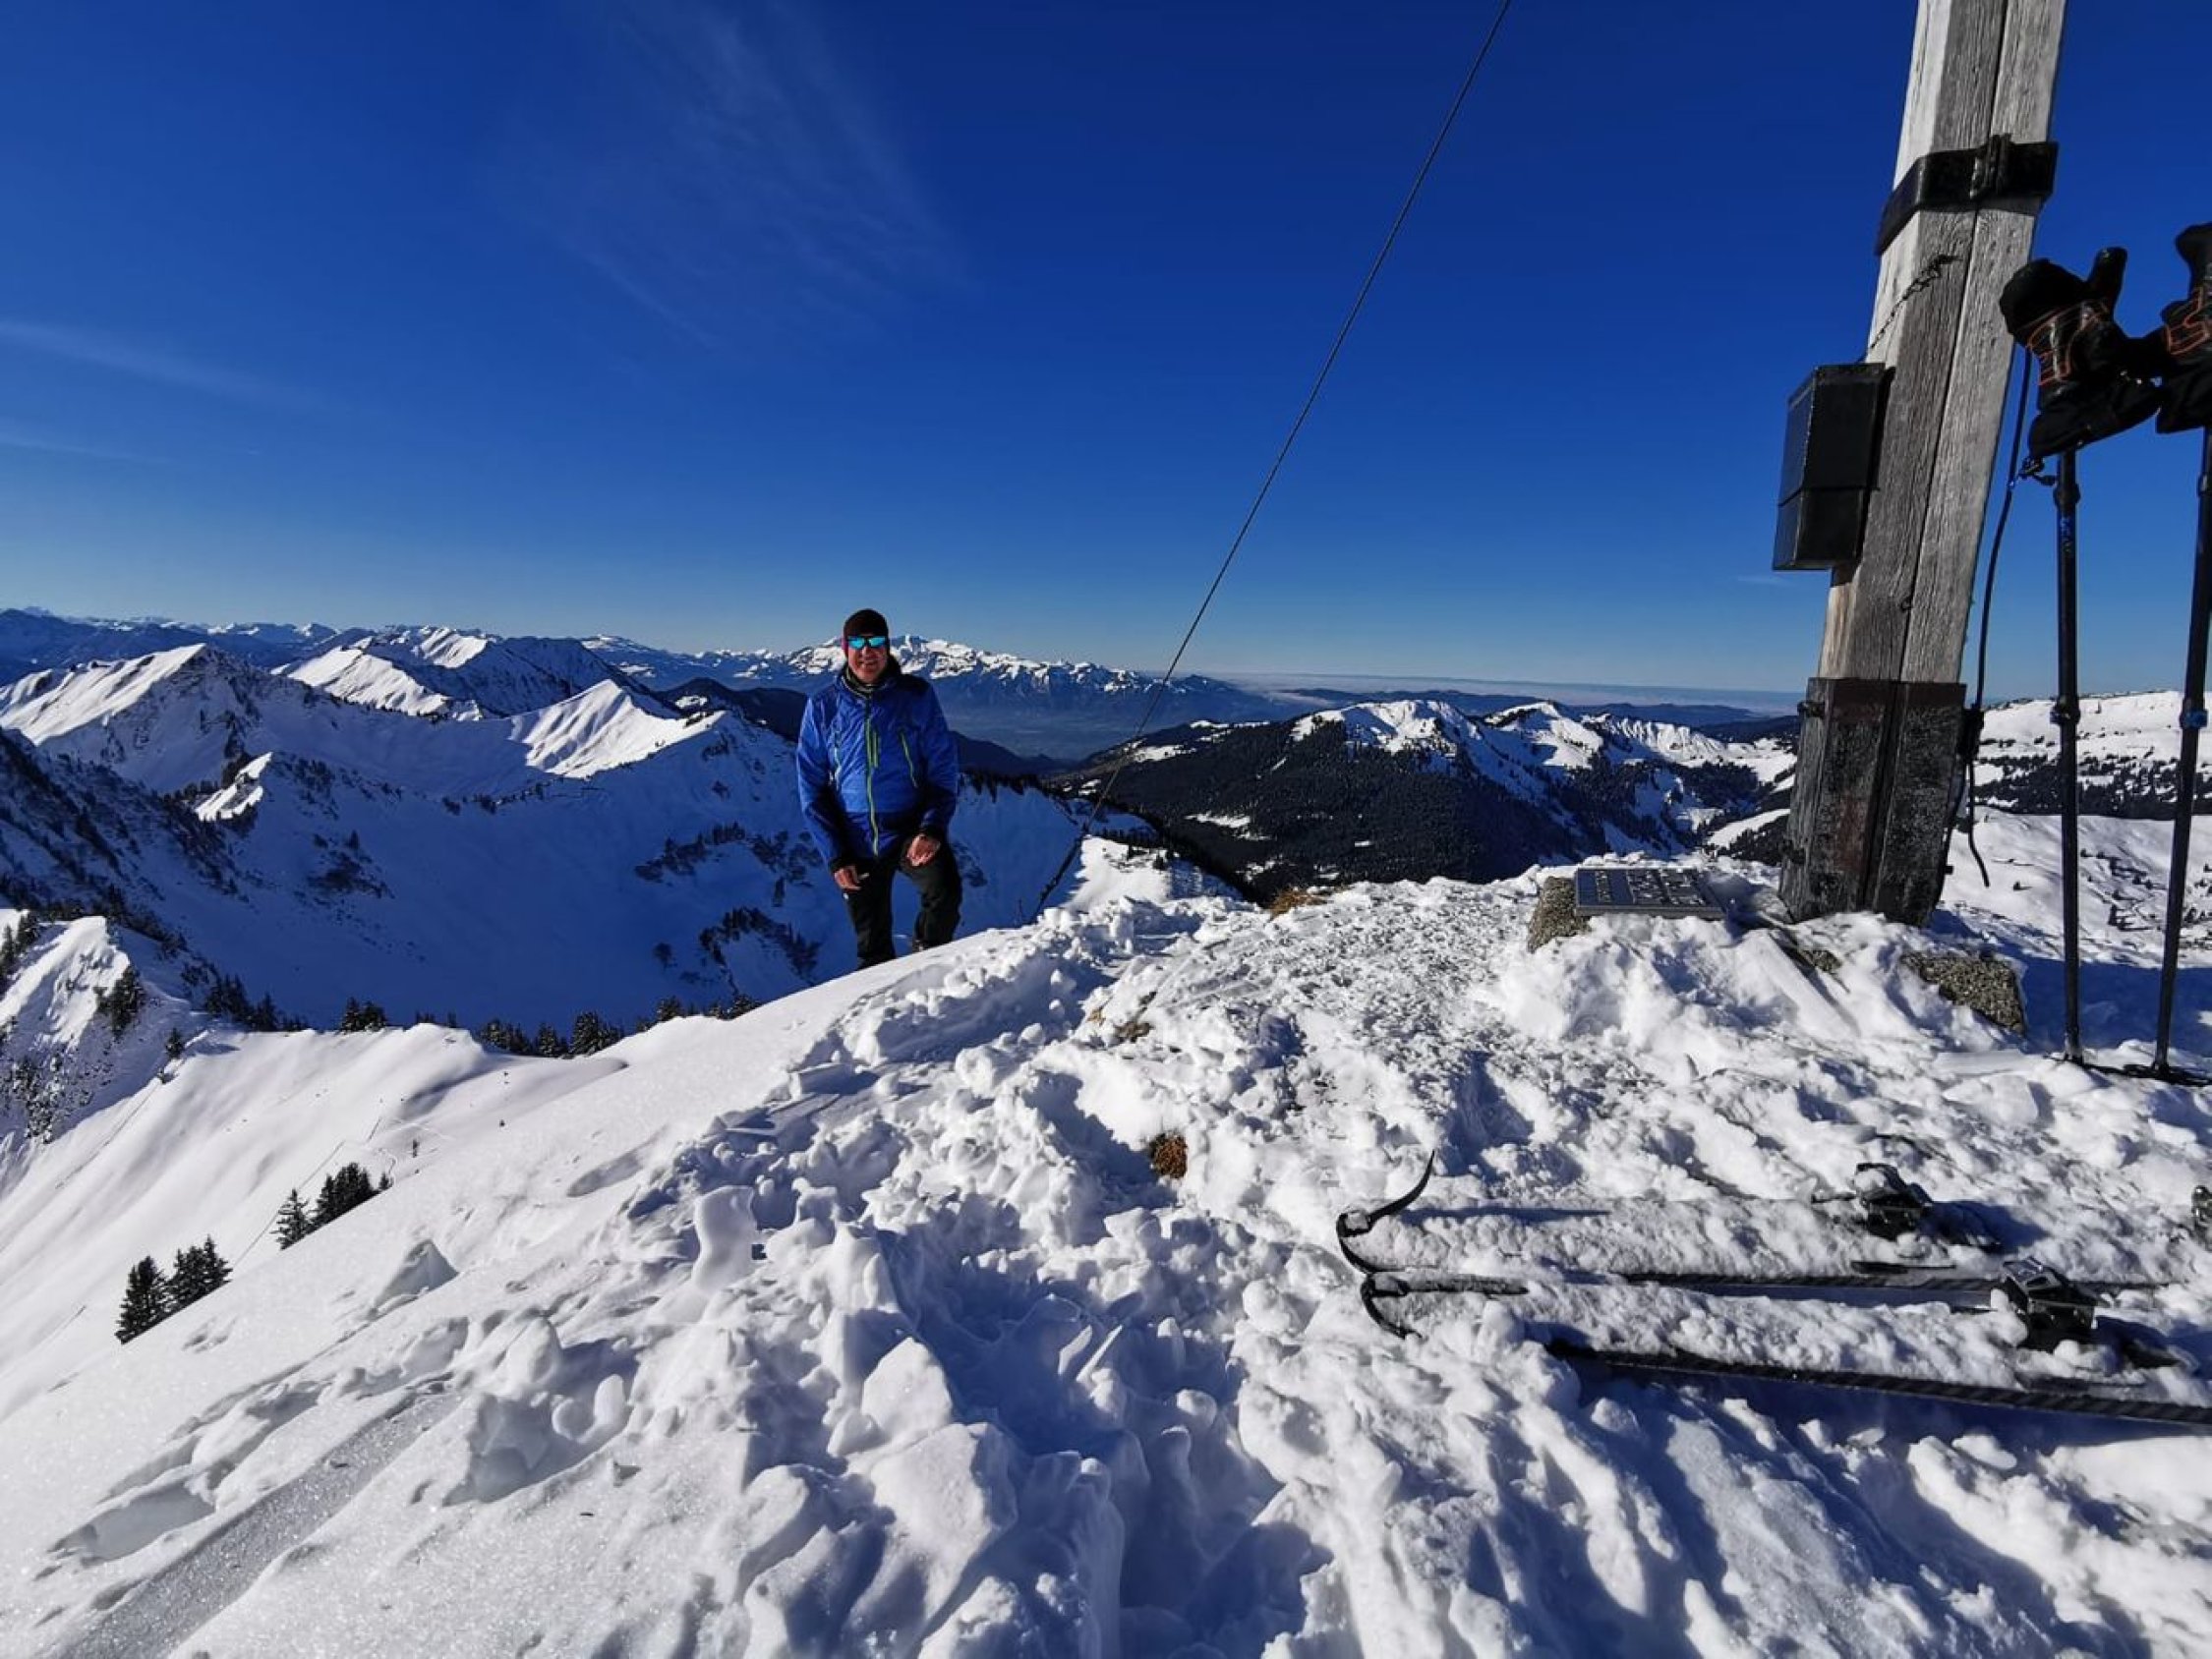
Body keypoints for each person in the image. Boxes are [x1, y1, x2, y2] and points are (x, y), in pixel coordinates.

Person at [795, 608, 963, 969]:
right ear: (844, 648)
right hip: (855, 838)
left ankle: (926, 969)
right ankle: (882, 1002)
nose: (867, 651)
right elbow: (811, 786)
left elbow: (942, 767)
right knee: (873, 949)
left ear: (888, 647)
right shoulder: (823, 706)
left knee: (945, 893)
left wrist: (932, 828)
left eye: (875, 642)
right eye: (858, 642)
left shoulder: (916, 696)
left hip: (910, 829)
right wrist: (836, 855)